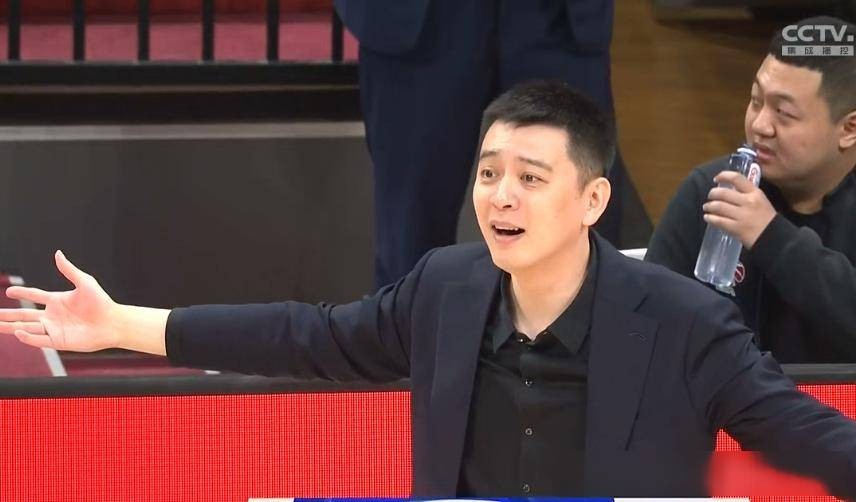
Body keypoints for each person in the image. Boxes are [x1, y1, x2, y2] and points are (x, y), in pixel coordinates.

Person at [2, 81, 855, 497]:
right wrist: (121, 325)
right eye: (489, 173)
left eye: (530, 178)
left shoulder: (681, 322)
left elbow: (807, 436)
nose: (501, 197)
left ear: (594, 200)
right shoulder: (446, 289)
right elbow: (306, 336)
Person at [333, 0, 648, 290]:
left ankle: (583, 336)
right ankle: (411, 334)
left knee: (579, 230)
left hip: (557, 18)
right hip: (419, 20)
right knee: (410, 239)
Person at [645, 16, 856, 363]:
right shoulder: (711, 192)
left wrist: (772, 238)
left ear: (849, 128)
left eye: (783, 113)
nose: (759, 125)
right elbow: (646, 325)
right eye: (756, 101)